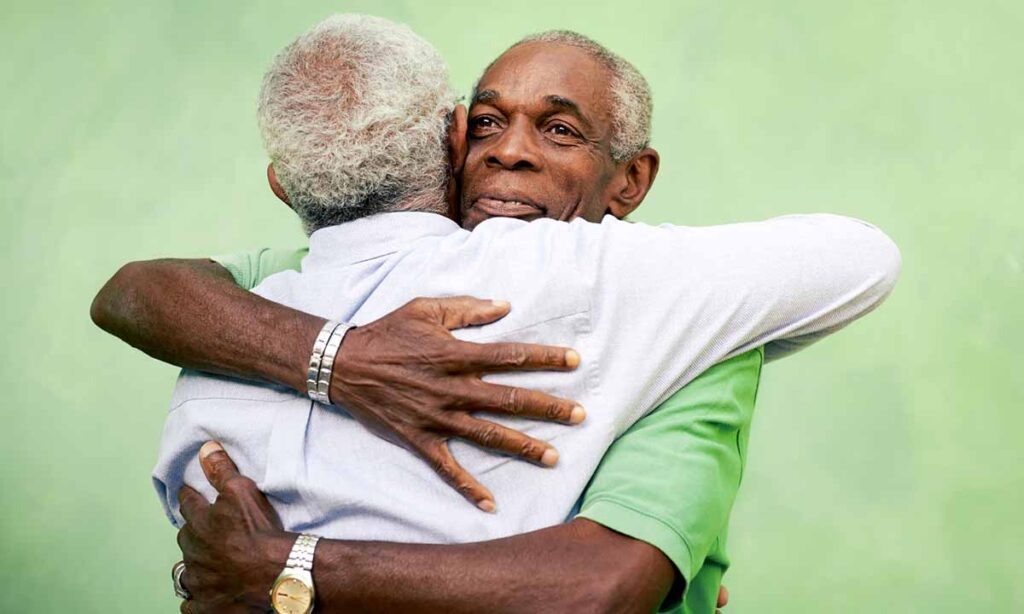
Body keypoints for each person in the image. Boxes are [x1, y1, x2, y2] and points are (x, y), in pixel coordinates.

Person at [92, 16, 900, 614]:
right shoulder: (315, 281)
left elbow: (600, 589)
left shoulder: (687, 330)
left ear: (629, 182)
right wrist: (344, 359)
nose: (509, 151)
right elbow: (138, 291)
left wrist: (287, 566)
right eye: (486, 122)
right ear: (449, 144)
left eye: (558, 130)